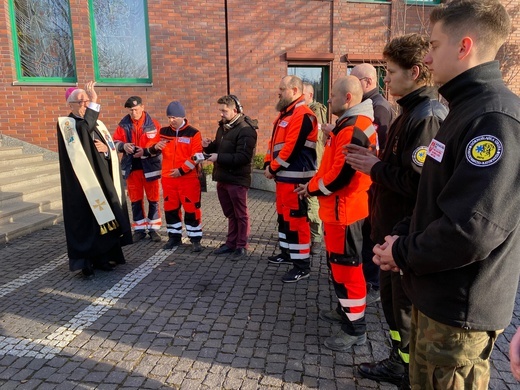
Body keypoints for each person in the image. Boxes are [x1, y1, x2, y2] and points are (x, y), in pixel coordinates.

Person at [372, 1, 520, 388]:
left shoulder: (494, 118)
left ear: (464, 46)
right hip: (435, 295)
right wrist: (401, 236)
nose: (426, 57)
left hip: (459, 310)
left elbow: (472, 228)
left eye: (434, 45)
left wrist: (402, 251)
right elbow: (434, 198)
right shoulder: (463, 109)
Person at [346, 34, 447, 389]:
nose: (385, 79)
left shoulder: (428, 116)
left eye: (389, 72)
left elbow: (422, 185)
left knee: (403, 309)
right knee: (392, 307)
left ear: (415, 71)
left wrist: (374, 167)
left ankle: (407, 371)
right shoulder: (410, 111)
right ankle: (398, 362)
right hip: (388, 231)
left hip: (403, 235)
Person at [296, 76, 376, 351]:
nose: (328, 100)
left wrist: (311, 187)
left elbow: (340, 177)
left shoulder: (353, 128)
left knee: (348, 270)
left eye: (332, 95)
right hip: (340, 211)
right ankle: (346, 313)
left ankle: (355, 329)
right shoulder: (348, 126)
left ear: (348, 98)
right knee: (341, 268)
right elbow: (333, 168)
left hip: (345, 212)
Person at [58, 82, 132, 278]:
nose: (85, 104)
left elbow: (109, 149)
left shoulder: (97, 124)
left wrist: (108, 152)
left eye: (87, 101)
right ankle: (86, 262)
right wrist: (95, 103)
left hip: (100, 182)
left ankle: (104, 257)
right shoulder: (67, 125)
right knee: (87, 223)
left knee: (104, 221)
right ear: (70, 105)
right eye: (81, 101)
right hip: (81, 187)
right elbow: (83, 131)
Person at [264, 75, 318, 283]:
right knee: (284, 219)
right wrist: (268, 164)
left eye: (282, 89)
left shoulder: (303, 114)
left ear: (295, 91)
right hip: (285, 178)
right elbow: (273, 145)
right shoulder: (285, 115)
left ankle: (302, 266)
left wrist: (273, 168)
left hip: (296, 179)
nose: (278, 92)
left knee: (297, 222)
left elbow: (291, 148)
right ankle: (287, 254)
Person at [350, 63, 395, 304]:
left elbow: (378, 147)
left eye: (355, 80)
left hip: (373, 184)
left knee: (371, 236)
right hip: (369, 183)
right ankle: (369, 279)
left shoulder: (378, 108)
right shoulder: (369, 106)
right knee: (366, 236)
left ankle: (374, 284)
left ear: (367, 82)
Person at [202, 95, 258, 259]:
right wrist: (208, 146)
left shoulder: (246, 130)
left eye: (224, 111)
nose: (221, 114)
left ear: (235, 110)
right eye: (220, 110)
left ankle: (241, 245)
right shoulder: (223, 127)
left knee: (240, 214)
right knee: (230, 213)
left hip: (237, 179)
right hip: (223, 177)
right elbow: (221, 148)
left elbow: (243, 157)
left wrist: (218, 157)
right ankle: (231, 243)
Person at [150, 101, 204, 252]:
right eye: (169, 117)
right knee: (170, 209)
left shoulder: (194, 133)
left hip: (188, 180)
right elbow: (152, 147)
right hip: (169, 179)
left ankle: (195, 239)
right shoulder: (163, 131)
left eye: (174, 117)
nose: (171, 120)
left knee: (192, 209)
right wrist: (155, 147)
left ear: (182, 116)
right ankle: (174, 237)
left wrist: (181, 170)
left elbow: (197, 156)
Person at [113, 96, 162, 243]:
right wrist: (123, 146)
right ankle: (139, 229)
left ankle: (154, 229)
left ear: (142, 107)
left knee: (153, 199)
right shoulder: (123, 125)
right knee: (135, 199)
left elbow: (159, 145)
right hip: (132, 168)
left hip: (150, 167)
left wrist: (146, 151)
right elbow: (114, 141)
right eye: (130, 110)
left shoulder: (154, 124)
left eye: (135, 109)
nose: (133, 112)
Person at [302, 82, 327, 256]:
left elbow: (316, 139)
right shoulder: (300, 112)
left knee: (312, 202)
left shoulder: (315, 111)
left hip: (313, 164)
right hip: (305, 164)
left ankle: (316, 239)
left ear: (310, 95)